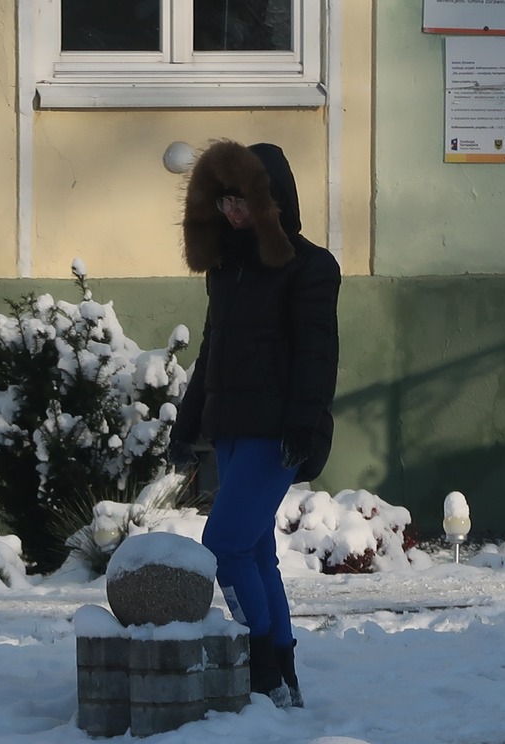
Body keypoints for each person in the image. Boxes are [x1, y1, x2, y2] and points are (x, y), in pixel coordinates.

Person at [166, 141, 341, 709]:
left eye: (242, 200)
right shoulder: (226, 269)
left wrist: (304, 426)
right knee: (257, 552)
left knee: (224, 544)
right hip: (231, 427)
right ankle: (282, 677)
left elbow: (317, 354)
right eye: (223, 202)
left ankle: (260, 668)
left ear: (272, 200)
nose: (233, 212)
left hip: (278, 432)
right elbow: (211, 351)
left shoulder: (311, 267)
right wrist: (186, 428)